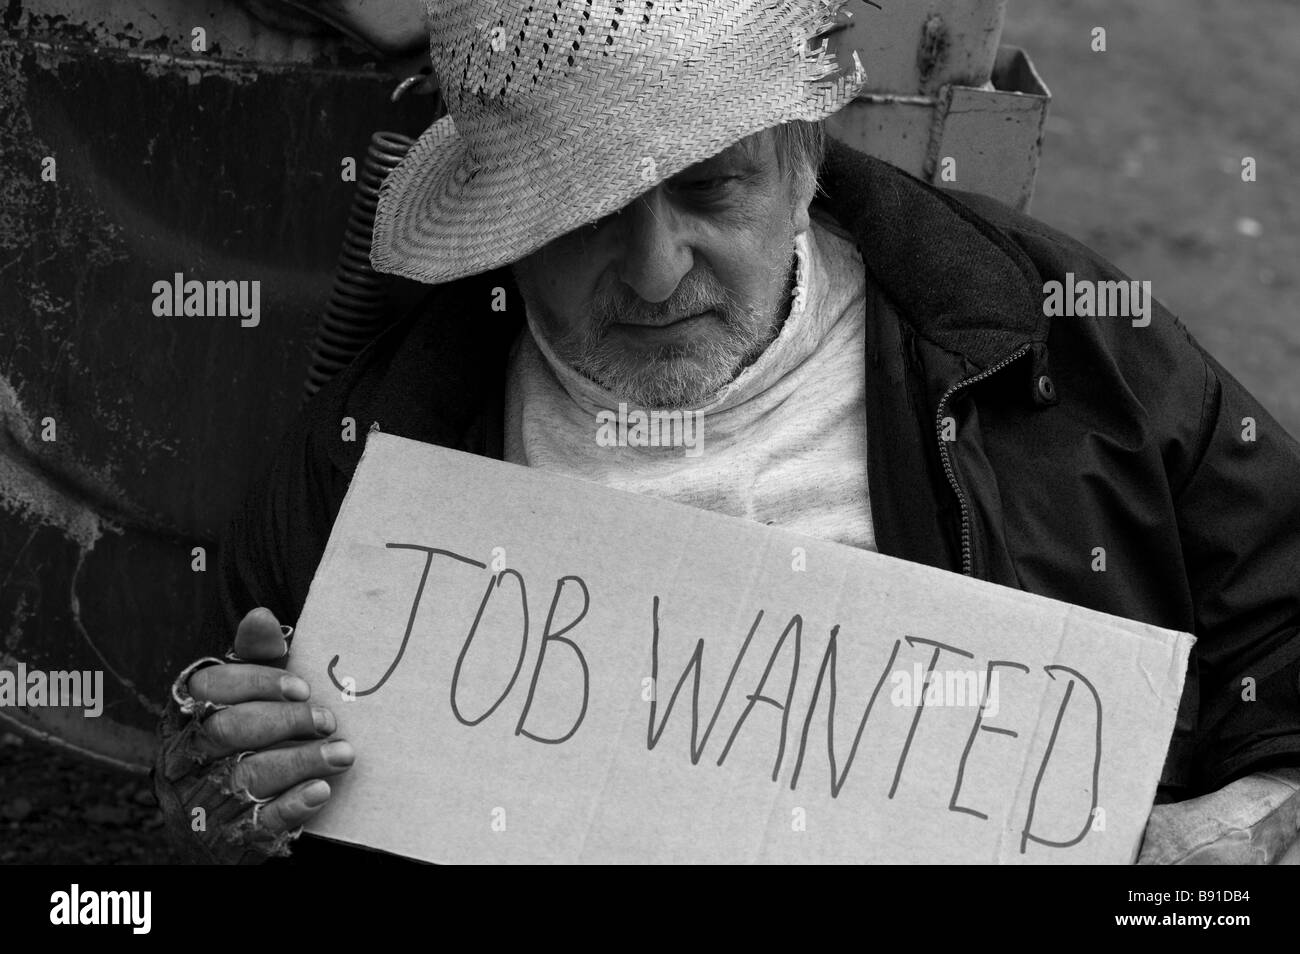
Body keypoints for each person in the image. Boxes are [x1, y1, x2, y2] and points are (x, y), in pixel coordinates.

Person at [153, 0, 1300, 864]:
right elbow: (237, 767)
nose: (656, 276)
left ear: (803, 157)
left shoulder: (1046, 334)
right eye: (588, 213)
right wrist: (227, 791)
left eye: (711, 191)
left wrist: (1250, 822)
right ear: (502, 229)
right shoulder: (389, 447)